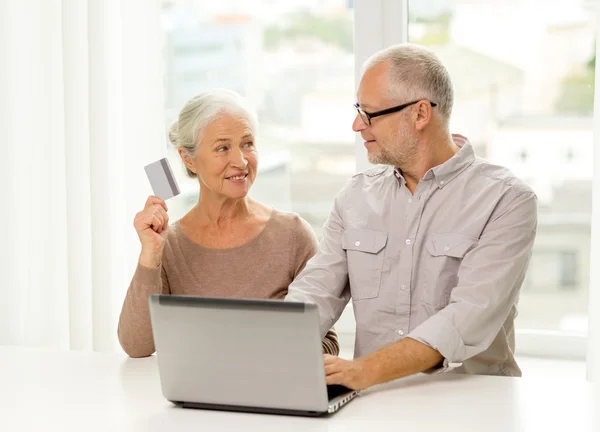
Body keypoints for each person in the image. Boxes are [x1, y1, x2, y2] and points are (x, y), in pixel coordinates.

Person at [285, 43, 538, 389]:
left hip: (474, 405)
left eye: (370, 113)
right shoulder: (355, 197)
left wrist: (364, 370)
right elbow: (315, 293)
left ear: (420, 114)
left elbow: (466, 318)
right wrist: (268, 353)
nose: (357, 125)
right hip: (374, 399)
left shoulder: (506, 200)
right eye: (359, 109)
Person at [118, 89, 339, 358]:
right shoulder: (169, 244)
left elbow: (328, 342)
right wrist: (150, 256)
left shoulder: (293, 235)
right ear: (188, 159)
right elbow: (136, 346)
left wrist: (268, 357)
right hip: (194, 397)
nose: (241, 161)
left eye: (247, 144)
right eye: (223, 148)